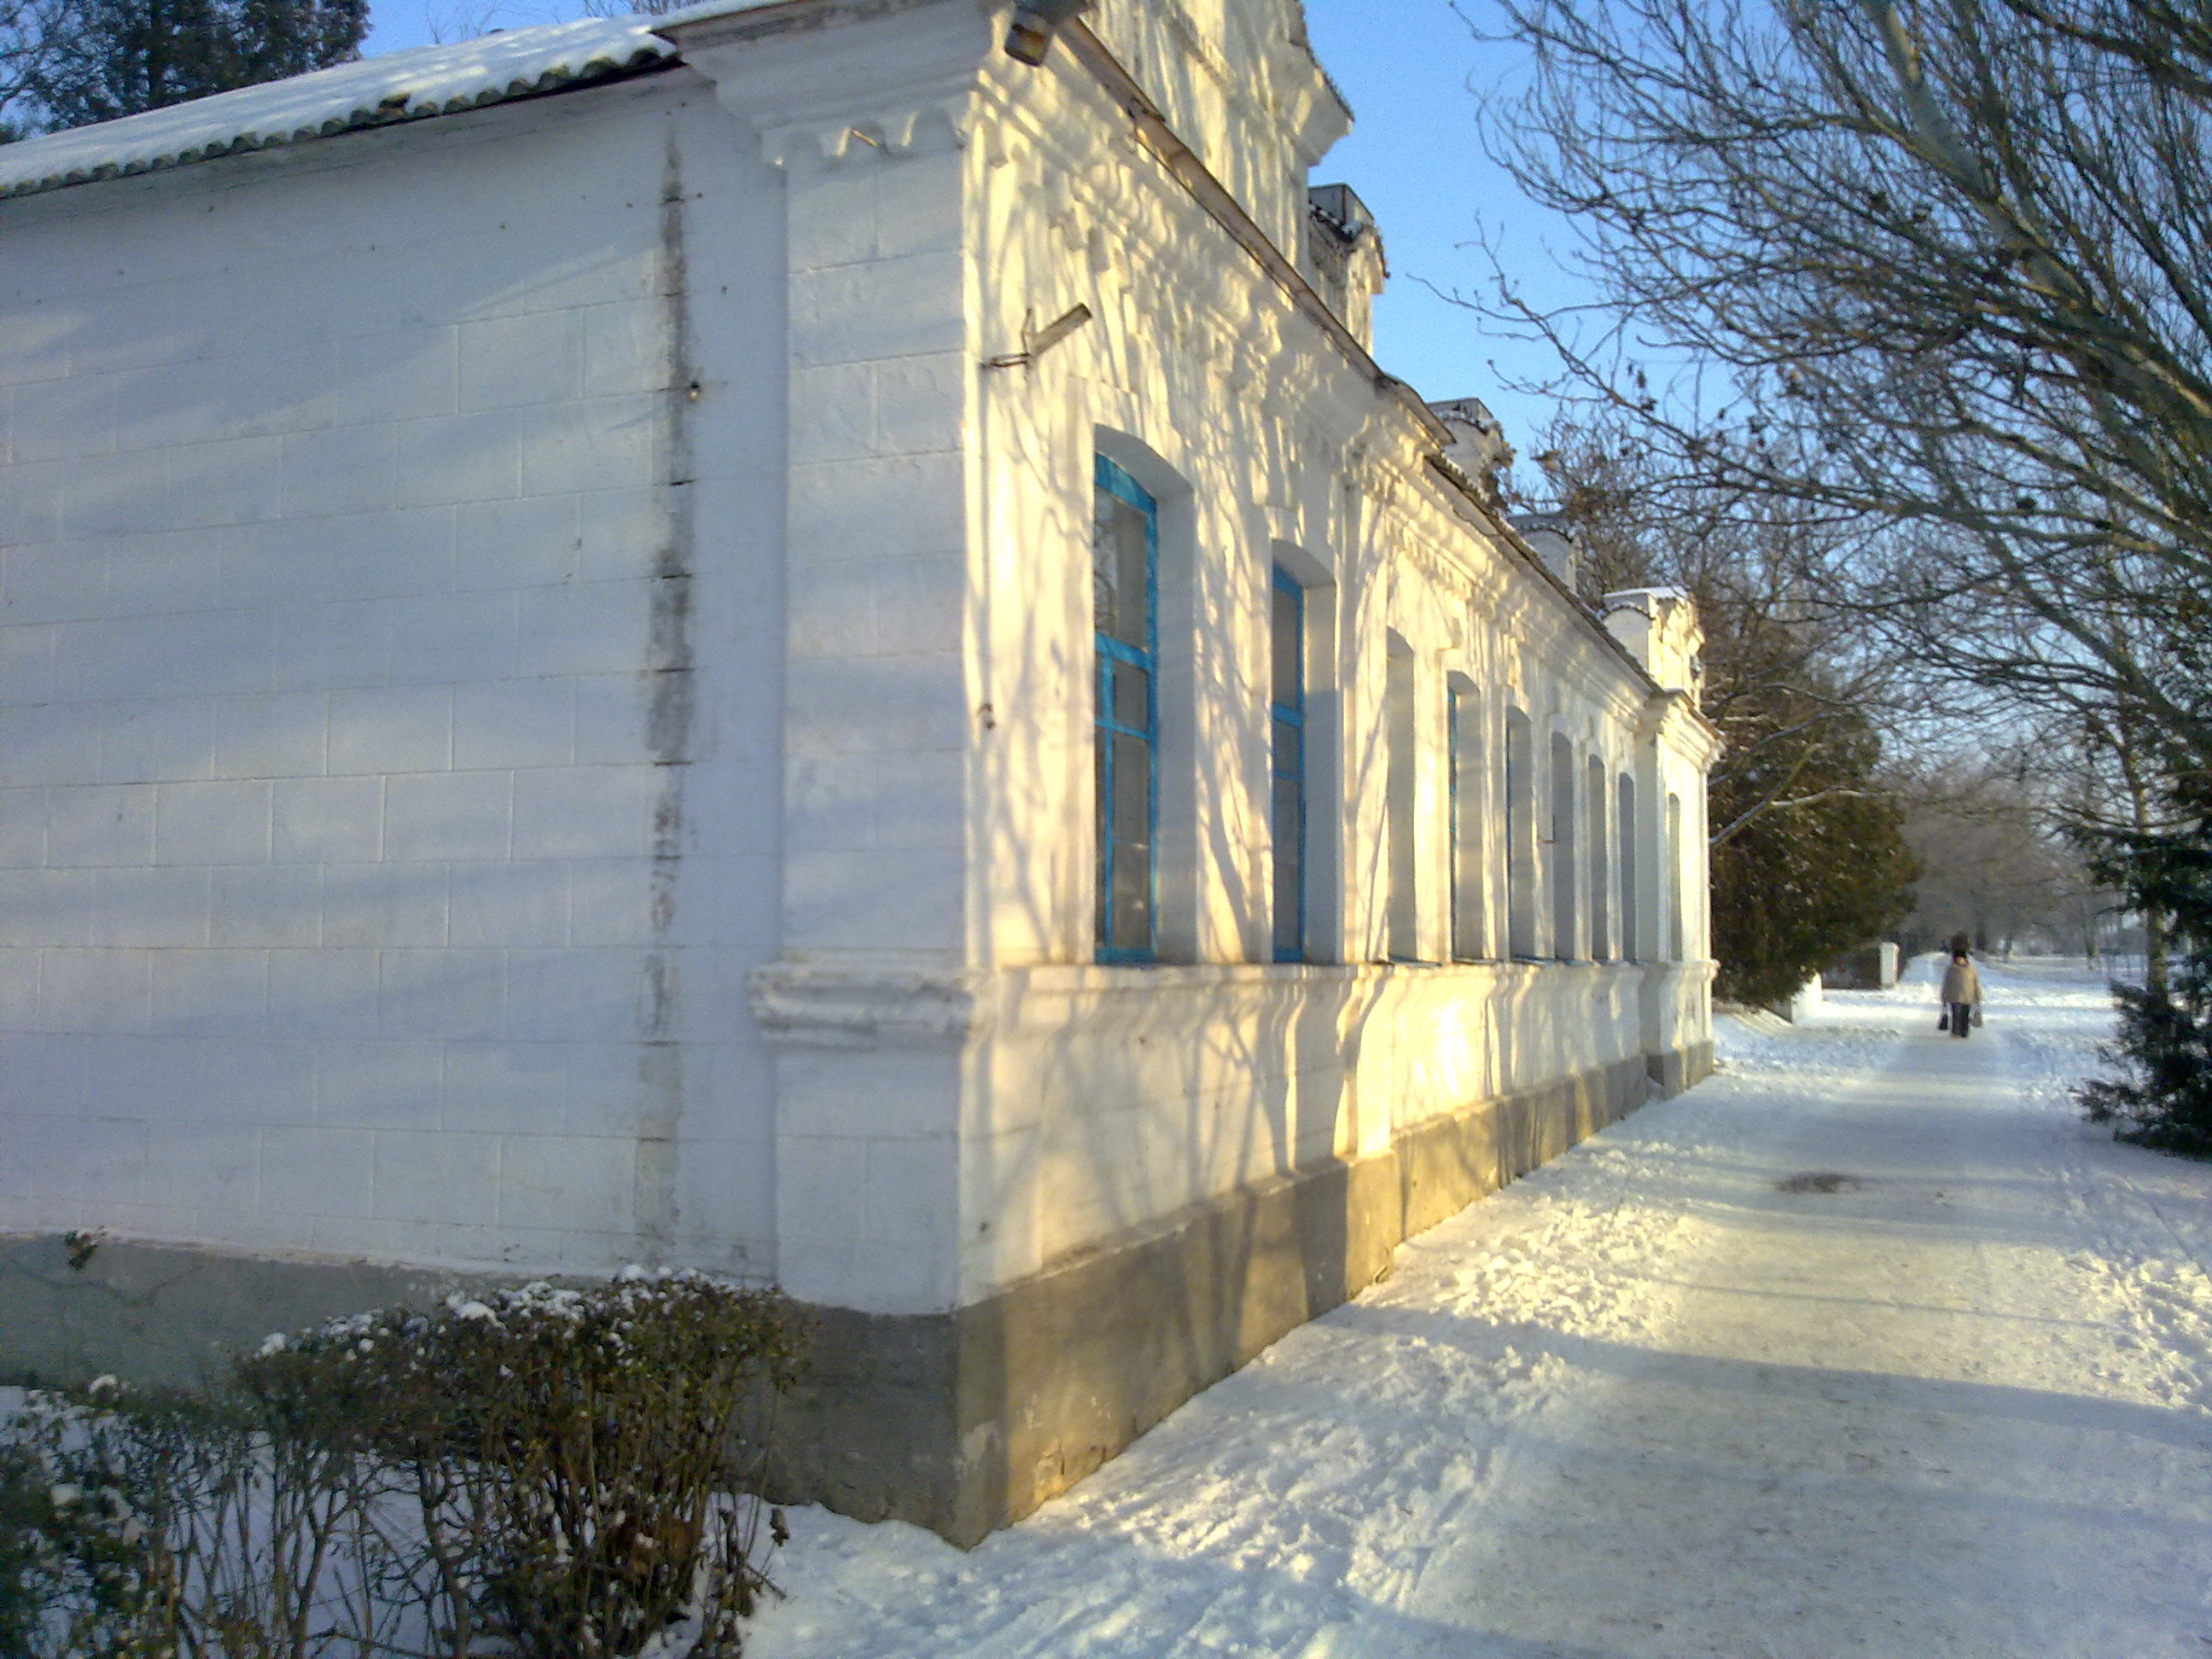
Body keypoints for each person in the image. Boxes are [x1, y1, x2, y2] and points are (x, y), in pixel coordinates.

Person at [1940, 946, 1982, 1039]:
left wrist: (1978, 995)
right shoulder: (1950, 969)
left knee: (1965, 1015)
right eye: (1957, 958)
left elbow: (1976, 982)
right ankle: (1956, 1032)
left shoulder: (1971, 969)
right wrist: (1944, 995)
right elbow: (1946, 983)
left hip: (1968, 996)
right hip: (1954, 996)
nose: (1959, 960)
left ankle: (1964, 1031)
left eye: (1960, 958)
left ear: (1964, 958)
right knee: (1956, 1014)